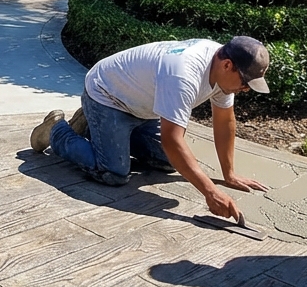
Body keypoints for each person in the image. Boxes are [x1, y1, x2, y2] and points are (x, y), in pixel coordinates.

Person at [30, 36, 272, 220]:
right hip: (107, 96)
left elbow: (224, 121)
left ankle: (98, 128)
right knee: (114, 172)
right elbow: (172, 140)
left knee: (168, 162)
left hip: (141, 106)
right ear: (228, 65)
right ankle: (58, 131)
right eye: (245, 83)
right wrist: (211, 192)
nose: (246, 89)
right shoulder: (183, 74)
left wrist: (229, 174)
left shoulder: (222, 69)